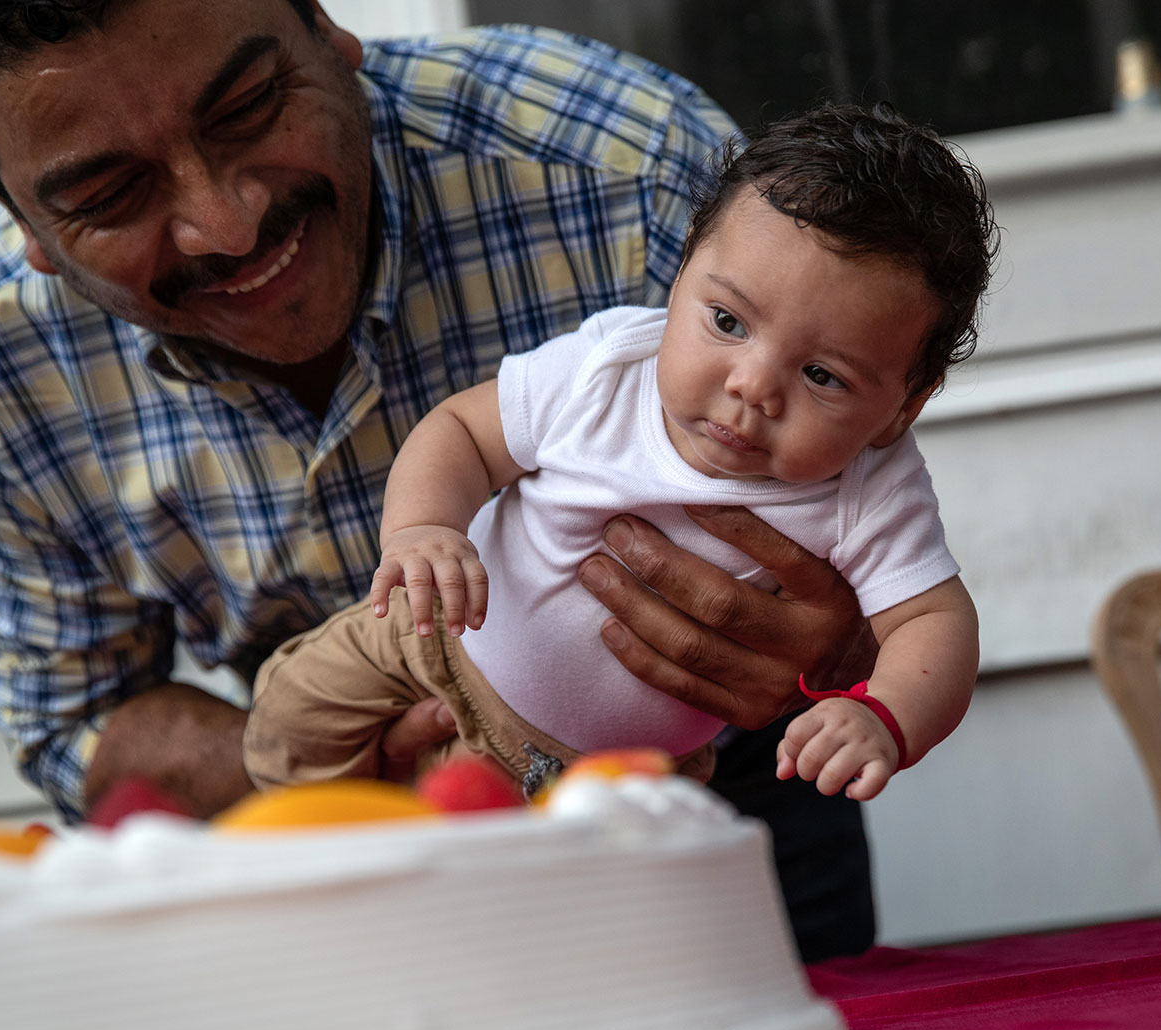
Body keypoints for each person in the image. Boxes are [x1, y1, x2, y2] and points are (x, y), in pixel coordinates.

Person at [0, 0, 925, 960]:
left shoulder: (632, 165)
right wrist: (334, 770)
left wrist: (835, 654)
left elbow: (872, 552)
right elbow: (79, 721)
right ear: (8, 197)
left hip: (705, 793)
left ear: (329, 30)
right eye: (110, 193)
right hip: (314, 842)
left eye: (248, 108)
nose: (228, 223)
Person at [244, 104, 989, 806]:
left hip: (606, 778)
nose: (753, 385)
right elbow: (463, 433)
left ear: (903, 406)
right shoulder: (611, 365)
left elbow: (935, 622)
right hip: (432, 641)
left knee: (505, 903)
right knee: (290, 721)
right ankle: (314, 859)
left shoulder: (872, 490)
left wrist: (886, 715)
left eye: (822, 375)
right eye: (727, 320)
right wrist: (422, 529)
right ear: (680, 274)